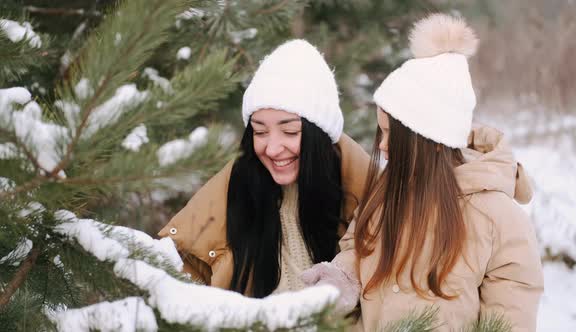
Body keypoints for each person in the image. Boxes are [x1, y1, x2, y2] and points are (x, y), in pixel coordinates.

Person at [301, 14, 544, 331]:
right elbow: (357, 252)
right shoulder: (388, 193)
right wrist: (342, 278)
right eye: (381, 133)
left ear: (432, 141)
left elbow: (510, 315)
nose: (383, 147)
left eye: (393, 136)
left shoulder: (496, 216)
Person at [158, 39, 370, 298]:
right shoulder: (226, 199)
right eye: (260, 131)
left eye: (290, 131)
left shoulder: (373, 200)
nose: (272, 149)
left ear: (320, 136)